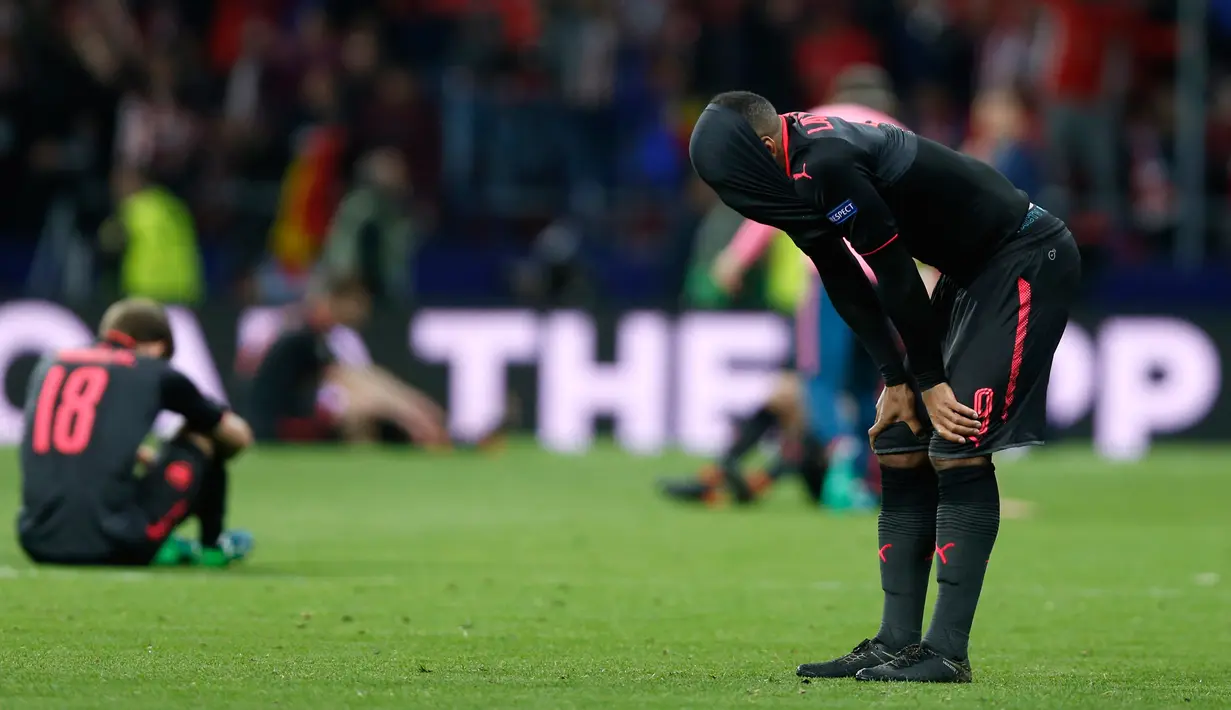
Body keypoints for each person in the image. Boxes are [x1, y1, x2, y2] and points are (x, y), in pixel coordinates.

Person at [689, 92, 1081, 683]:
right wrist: (897, 380)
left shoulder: (826, 163)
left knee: (958, 439)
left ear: (765, 149)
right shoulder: (795, 170)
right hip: (970, 269)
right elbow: (843, 275)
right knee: (899, 439)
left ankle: (945, 651)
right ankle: (895, 641)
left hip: (1023, 256)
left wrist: (924, 379)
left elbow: (894, 273)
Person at [663, 70, 918, 510]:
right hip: (891, 274)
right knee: (869, 385)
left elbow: (771, 198)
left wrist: (735, 259)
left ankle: (834, 468)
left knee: (818, 381)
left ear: (835, 95)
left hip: (832, 281)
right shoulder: (895, 135)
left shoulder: (807, 127)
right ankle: (861, 478)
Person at [18, 298, 254, 568]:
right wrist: (192, 463)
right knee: (203, 434)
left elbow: (72, 437)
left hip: (37, 539)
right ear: (159, 346)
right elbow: (239, 437)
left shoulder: (51, 362)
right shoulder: (152, 370)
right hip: (119, 542)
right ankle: (212, 546)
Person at [243, 274, 450, 446]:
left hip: (295, 413)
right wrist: (410, 418)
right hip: (279, 425)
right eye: (357, 304)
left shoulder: (327, 336)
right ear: (336, 300)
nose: (362, 313)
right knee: (356, 411)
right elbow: (347, 380)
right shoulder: (302, 336)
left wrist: (415, 406)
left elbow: (364, 376)